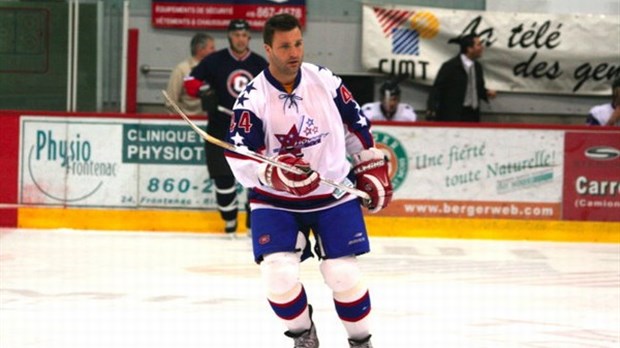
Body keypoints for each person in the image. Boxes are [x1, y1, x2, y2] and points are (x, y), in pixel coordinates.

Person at [224, 13, 393, 348]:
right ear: (268, 49)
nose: (294, 52)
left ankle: (360, 341)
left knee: (343, 273)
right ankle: (304, 334)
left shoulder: (324, 80)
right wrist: (271, 172)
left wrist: (369, 164)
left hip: (332, 192)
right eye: (285, 46)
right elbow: (242, 155)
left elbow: (355, 125)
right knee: (278, 273)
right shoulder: (252, 98)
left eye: (298, 43)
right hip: (275, 199)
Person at [184, 19, 268, 235]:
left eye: (244, 35)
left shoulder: (259, 64)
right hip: (219, 127)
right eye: (236, 35)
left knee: (256, 177)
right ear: (230, 36)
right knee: (223, 177)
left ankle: (253, 223)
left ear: (249, 37)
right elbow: (189, 80)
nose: (240, 39)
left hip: (251, 129)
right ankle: (229, 221)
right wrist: (203, 89)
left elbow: (274, 90)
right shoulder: (214, 61)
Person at [426, 33, 496, 122]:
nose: (482, 47)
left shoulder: (477, 67)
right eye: (478, 45)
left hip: (473, 115)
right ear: (469, 48)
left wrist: (486, 92)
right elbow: (437, 89)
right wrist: (431, 109)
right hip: (454, 115)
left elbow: (477, 88)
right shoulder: (451, 66)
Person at [165, 33, 215, 115]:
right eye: (212, 48)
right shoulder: (182, 69)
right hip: (187, 122)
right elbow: (170, 101)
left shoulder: (215, 68)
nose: (215, 51)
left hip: (211, 122)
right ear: (200, 49)